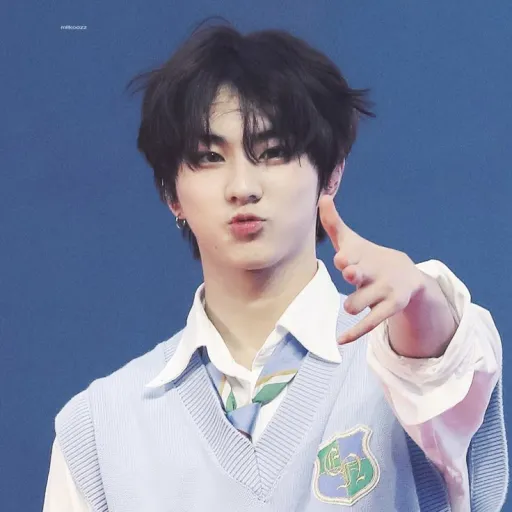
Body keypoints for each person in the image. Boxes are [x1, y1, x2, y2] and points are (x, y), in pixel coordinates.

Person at [43, 18, 507, 512]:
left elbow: (449, 368)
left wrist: (422, 298)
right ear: (170, 192)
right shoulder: (99, 430)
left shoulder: (402, 363)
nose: (243, 186)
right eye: (208, 157)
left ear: (331, 173)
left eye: (273, 152)